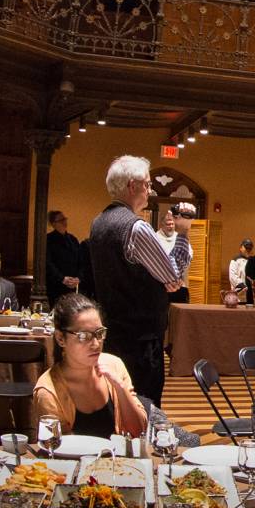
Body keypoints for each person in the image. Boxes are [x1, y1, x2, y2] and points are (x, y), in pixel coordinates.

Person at [86, 156, 183, 404]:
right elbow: (172, 279)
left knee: (115, 404)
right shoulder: (136, 227)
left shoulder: (98, 222)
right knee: (144, 406)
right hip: (141, 340)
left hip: (111, 331)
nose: (150, 191)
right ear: (132, 186)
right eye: (148, 184)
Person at [32, 294, 148, 438]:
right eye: (83, 336)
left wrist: (119, 386)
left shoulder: (114, 365)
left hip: (118, 459)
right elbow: (57, 449)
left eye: (99, 333)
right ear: (61, 338)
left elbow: (138, 431)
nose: (96, 344)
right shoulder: (48, 391)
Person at [157, 206, 194, 304]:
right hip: (161, 287)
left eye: (172, 224)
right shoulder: (155, 238)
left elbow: (188, 256)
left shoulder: (180, 238)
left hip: (181, 285)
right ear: (161, 224)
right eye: (167, 224)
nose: (170, 226)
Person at [45, 210, 86, 299]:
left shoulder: (73, 239)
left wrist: (78, 278)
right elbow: (48, 263)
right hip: (56, 286)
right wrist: (62, 279)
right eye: (61, 220)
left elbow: (81, 262)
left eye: (65, 219)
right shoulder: (48, 240)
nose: (64, 222)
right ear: (53, 224)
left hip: (73, 286)